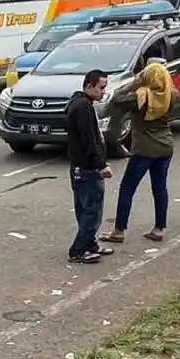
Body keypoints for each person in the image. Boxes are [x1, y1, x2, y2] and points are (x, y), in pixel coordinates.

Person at [100, 61, 174, 244]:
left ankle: (119, 230)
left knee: (127, 188)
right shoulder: (171, 94)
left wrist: (135, 83)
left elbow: (116, 98)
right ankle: (160, 228)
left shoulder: (140, 97)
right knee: (160, 187)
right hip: (165, 146)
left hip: (144, 148)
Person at [65, 70, 114, 264]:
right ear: (89, 87)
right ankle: (78, 249)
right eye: (101, 88)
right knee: (92, 210)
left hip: (79, 168)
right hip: (86, 168)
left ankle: (89, 244)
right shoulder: (83, 107)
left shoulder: (78, 103)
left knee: (85, 209)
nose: (103, 92)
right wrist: (101, 164)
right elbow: (89, 139)